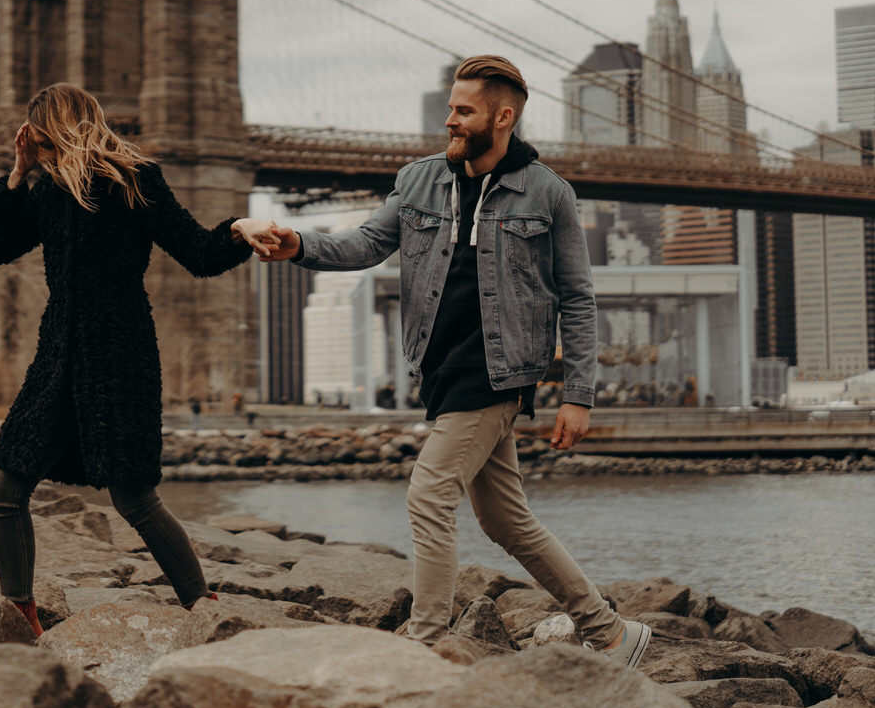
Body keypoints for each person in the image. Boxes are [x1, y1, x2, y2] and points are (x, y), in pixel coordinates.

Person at [256, 55, 652, 668]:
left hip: (498, 373)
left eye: (463, 111)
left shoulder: (549, 194)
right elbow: (366, 243)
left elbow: (577, 296)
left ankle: (426, 642)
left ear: (503, 116)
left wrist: (579, 393)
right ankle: (610, 633)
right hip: (438, 370)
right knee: (506, 521)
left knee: (429, 494)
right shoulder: (419, 180)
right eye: (450, 108)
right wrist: (300, 244)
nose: (450, 120)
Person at [0, 82, 279, 636]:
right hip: (57, 354)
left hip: (119, 352)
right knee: (5, 487)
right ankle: (19, 616)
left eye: (34, 129)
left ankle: (203, 610)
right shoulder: (44, 191)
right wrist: (15, 176)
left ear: (47, 124)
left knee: (133, 494)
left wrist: (239, 228)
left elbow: (201, 255)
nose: (32, 140)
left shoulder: (135, 179)